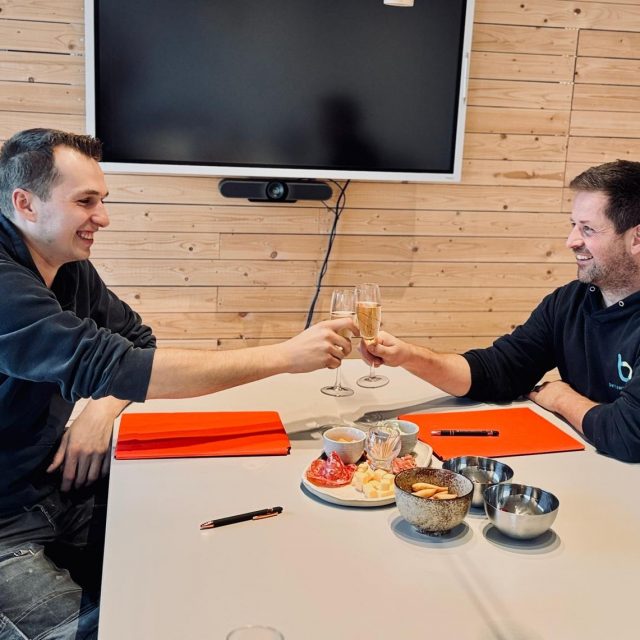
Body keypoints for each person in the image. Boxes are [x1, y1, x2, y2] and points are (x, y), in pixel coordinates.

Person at [0, 128, 357, 639]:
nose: (103, 217)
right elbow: (119, 364)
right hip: (6, 523)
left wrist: (101, 410)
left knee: (206, 554)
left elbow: (136, 342)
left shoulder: (68, 267)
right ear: (25, 204)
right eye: (85, 201)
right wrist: (284, 357)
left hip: (55, 485)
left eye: (102, 200)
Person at [361, 159, 640, 464]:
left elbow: (628, 435)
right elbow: (499, 371)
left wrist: (562, 398)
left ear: (636, 238)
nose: (571, 241)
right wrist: (407, 356)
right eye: (573, 225)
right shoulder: (569, 301)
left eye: (587, 229)